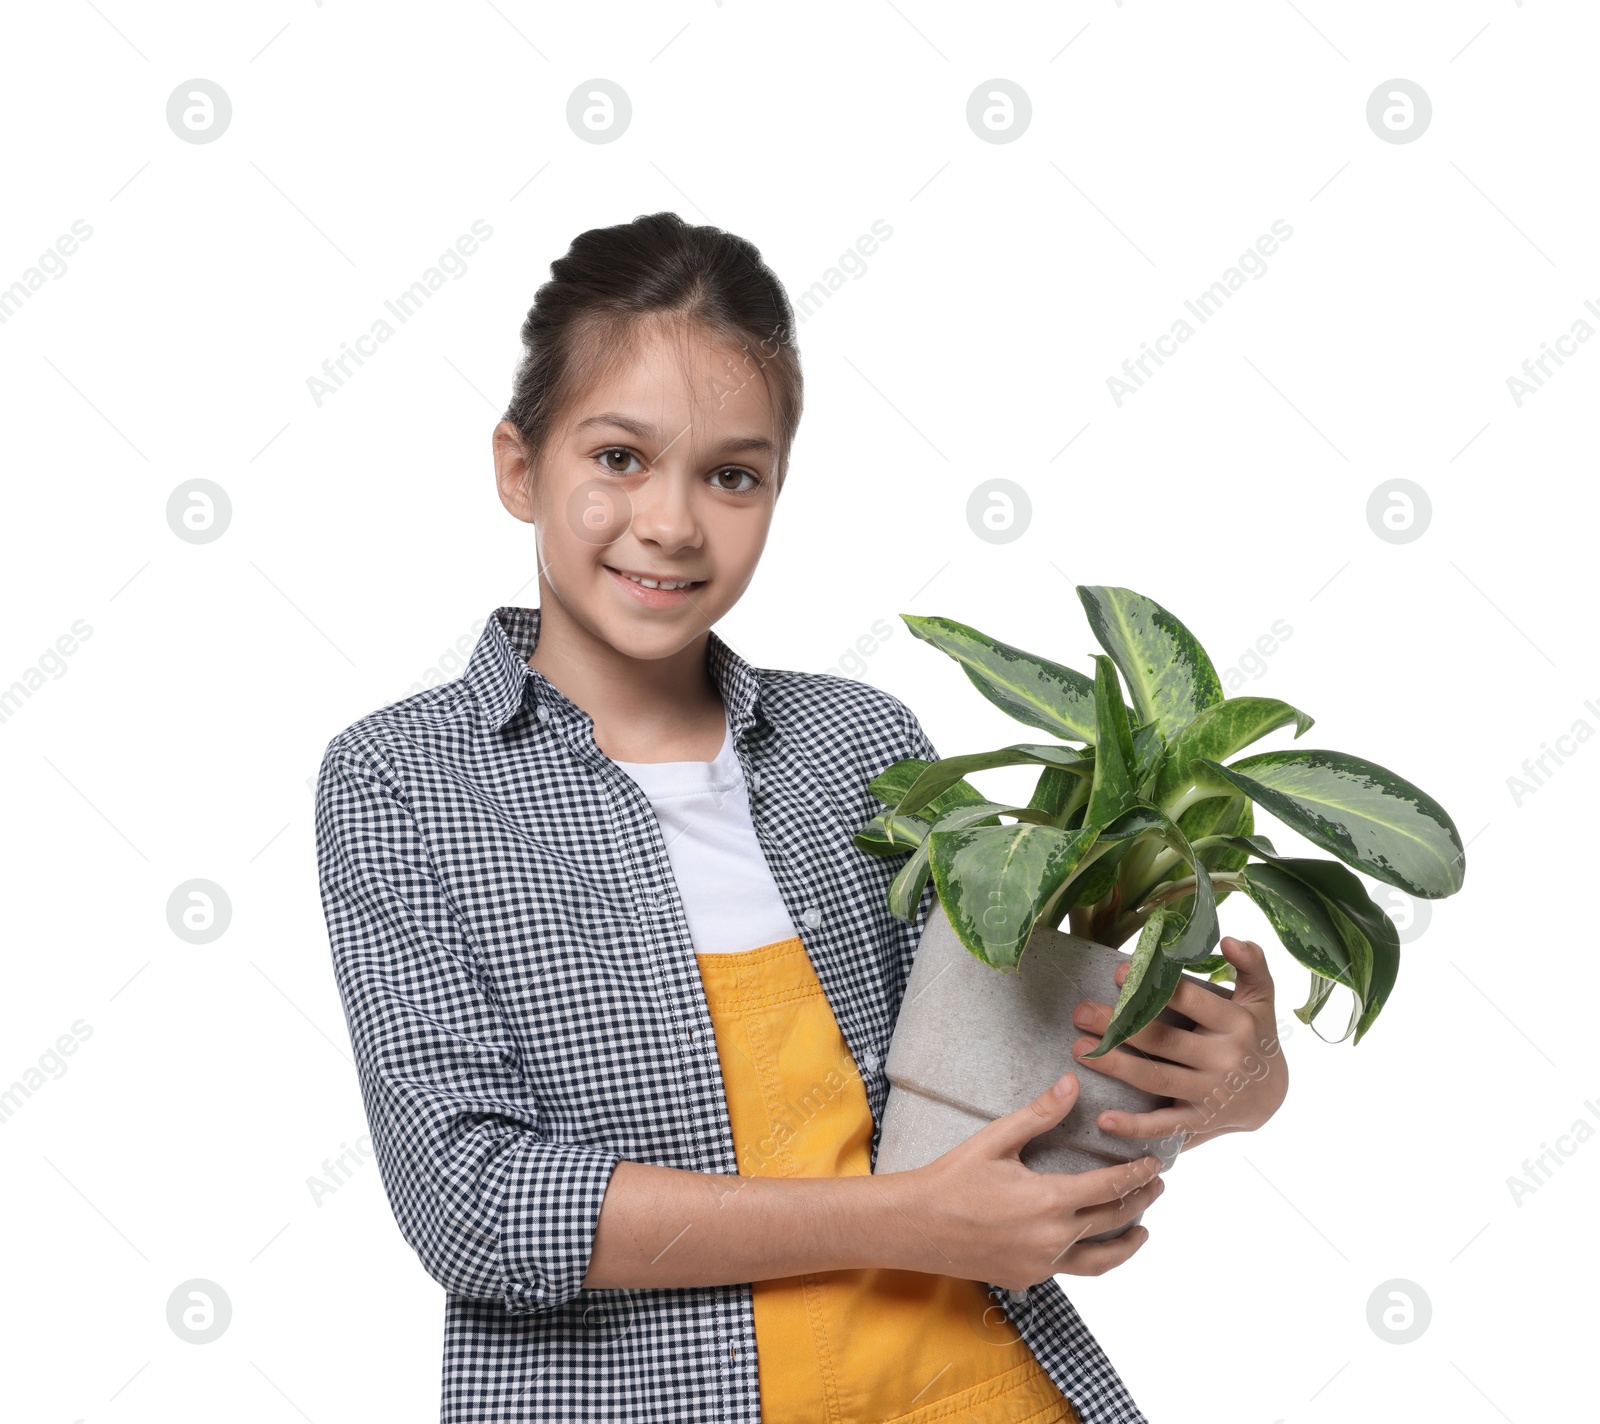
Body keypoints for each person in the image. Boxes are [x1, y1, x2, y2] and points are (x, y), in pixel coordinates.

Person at [313, 211, 1288, 1424]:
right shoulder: (404, 778)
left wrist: (1235, 1083)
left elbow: (1021, 1063)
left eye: (732, 473)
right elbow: (475, 1203)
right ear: (521, 466)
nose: (672, 522)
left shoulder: (860, 743)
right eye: (618, 456)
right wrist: (908, 1221)